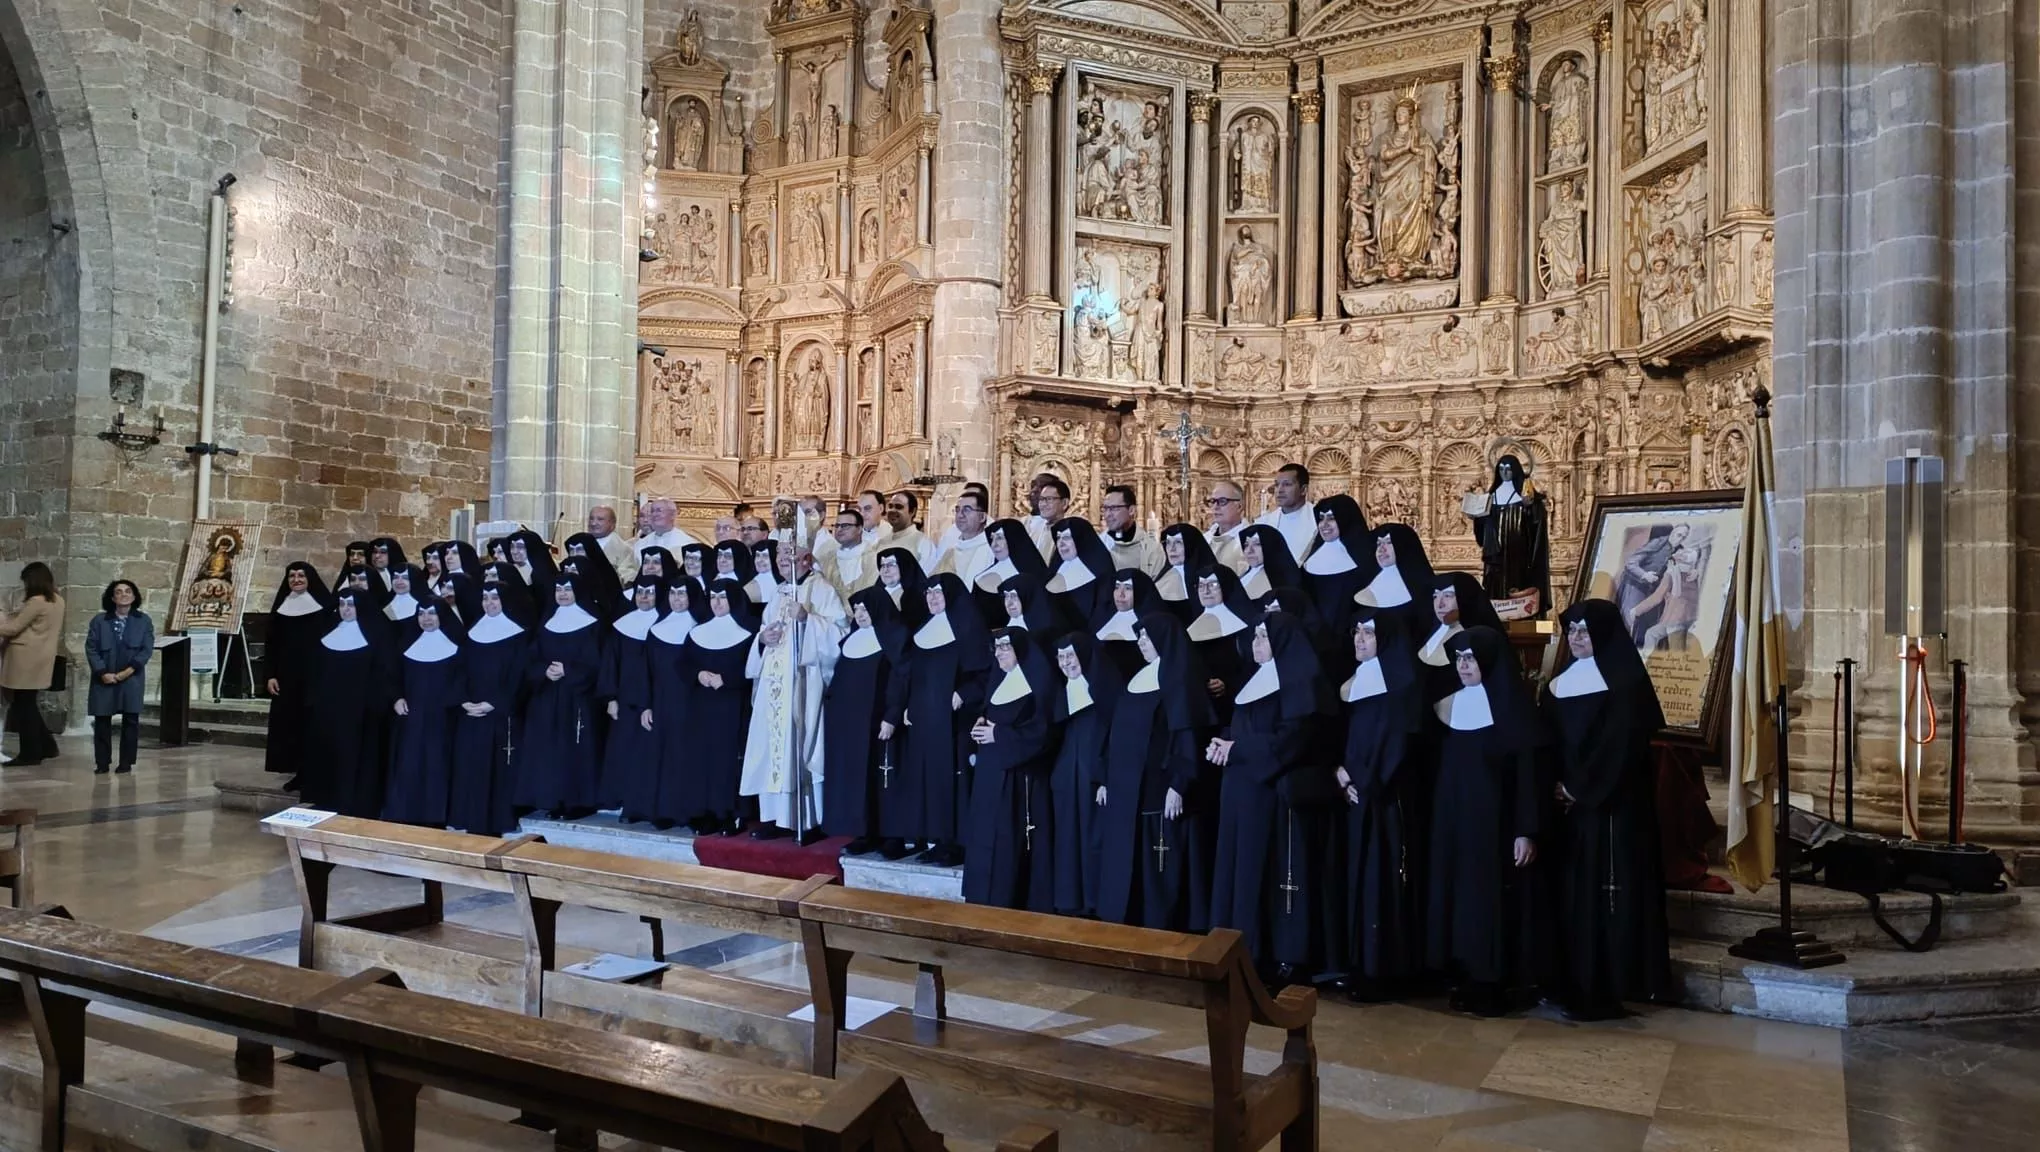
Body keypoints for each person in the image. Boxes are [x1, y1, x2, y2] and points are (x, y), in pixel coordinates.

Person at [1544, 600, 1672, 1020]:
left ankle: (1611, 984)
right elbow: (1550, 741)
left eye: (1585, 631)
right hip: (1569, 812)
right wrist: (1556, 785)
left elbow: (1622, 748)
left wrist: (1581, 789)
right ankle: (1569, 979)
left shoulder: (1625, 683)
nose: (1577, 639)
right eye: (1573, 632)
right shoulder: (1560, 684)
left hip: (1613, 809)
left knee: (1608, 897)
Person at [1429, 626, 1548, 1016]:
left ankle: (1493, 981)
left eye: (1471, 659)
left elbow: (1528, 777)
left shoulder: (1512, 709)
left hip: (1495, 828)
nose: (1464, 666)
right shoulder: (1447, 705)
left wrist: (1525, 831)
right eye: (1459, 658)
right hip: (1453, 825)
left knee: (1489, 903)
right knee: (1457, 900)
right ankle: (1462, 973)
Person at [1208, 614, 1329, 976]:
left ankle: (1270, 953)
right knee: (1237, 868)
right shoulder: (1255, 678)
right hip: (1239, 789)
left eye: (1263, 637)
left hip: (1269, 792)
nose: (1256, 644)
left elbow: (1291, 740)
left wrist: (1238, 750)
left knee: (1262, 871)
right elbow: (1246, 727)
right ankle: (1235, 947)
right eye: (1256, 636)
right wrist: (1222, 744)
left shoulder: (1300, 684)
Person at [1329, 608, 1427, 999]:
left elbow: (1397, 747)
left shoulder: (1401, 684)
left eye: (1367, 634)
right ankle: (1357, 963)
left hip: (1386, 801)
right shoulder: (1353, 682)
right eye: (1356, 633)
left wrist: (1365, 782)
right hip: (1354, 797)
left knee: (1381, 884)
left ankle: (1382, 971)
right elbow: (1342, 737)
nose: (1359, 640)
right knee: (1356, 880)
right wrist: (1339, 773)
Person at [1096, 613, 1215, 931]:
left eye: (1147, 637)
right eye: (1140, 638)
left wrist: (1178, 783)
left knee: (1157, 863)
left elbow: (1186, 735)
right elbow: (1115, 732)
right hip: (1125, 789)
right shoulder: (1139, 677)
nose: (1141, 643)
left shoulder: (1178, 679)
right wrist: (1106, 778)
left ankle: (1159, 926)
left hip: (1157, 791)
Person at [742, 546, 843, 838]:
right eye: (780, 559)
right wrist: (763, 638)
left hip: (803, 680)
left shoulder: (821, 589)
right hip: (774, 681)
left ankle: (808, 820)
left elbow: (839, 633)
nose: (784, 563)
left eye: (791, 558)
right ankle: (775, 817)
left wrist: (807, 619)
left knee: (799, 746)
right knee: (771, 747)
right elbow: (765, 629)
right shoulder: (778, 592)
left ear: (807, 560)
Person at [900, 573, 992, 865]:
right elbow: (912, 676)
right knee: (927, 780)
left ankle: (957, 843)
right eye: (928, 594)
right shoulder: (923, 630)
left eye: (938, 593)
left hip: (956, 723)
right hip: (925, 719)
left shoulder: (969, 628)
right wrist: (908, 706)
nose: (932, 598)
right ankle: (935, 838)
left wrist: (964, 693)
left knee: (954, 781)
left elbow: (986, 675)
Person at [963, 627, 1059, 909]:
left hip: (1018, 782)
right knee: (984, 839)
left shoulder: (1038, 685)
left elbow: (1043, 734)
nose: (1000, 653)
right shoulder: (1000, 681)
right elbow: (991, 714)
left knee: (1007, 845)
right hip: (990, 778)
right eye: (997, 648)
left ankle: (1010, 901)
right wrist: (981, 725)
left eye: (1005, 647)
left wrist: (999, 735)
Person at [514, 573, 606, 818]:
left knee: (575, 748)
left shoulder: (592, 624)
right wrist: (544, 671)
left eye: (567, 589)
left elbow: (599, 662)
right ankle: (549, 798)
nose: (562, 594)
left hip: (578, 699)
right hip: (547, 695)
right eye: (558, 590)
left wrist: (570, 671)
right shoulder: (546, 623)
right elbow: (531, 658)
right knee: (547, 748)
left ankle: (578, 802)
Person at [824, 585, 905, 854]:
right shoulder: (851, 640)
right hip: (849, 725)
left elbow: (900, 679)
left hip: (880, 722)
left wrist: (892, 715)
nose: (859, 613)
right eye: (856, 609)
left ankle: (891, 836)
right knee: (856, 780)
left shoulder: (895, 636)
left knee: (884, 779)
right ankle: (863, 832)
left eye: (864, 608)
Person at [450, 583, 531, 835]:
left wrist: (495, 702)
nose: (489, 603)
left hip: (500, 714)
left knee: (499, 769)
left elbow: (520, 675)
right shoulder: (472, 632)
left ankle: (499, 820)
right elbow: (458, 670)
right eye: (484, 598)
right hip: (471, 713)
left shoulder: (518, 634)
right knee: (470, 766)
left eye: (495, 598)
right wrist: (463, 701)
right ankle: (467, 816)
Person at [302, 588, 391, 817]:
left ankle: (357, 802)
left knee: (358, 758)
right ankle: (327, 798)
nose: (345, 609)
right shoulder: (328, 632)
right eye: (342, 605)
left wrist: (374, 703)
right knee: (330, 754)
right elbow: (315, 670)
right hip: (329, 709)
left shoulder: (377, 633)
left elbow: (383, 672)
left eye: (350, 605)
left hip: (361, 711)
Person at [383, 600, 466, 827]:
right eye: (421, 614)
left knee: (438, 764)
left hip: (443, 718)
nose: (426, 618)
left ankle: (436, 814)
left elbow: (464, 680)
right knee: (409, 762)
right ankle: (405, 811)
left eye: (431, 614)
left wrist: (452, 702)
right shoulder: (406, 644)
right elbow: (392, 676)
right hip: (411, 718)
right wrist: (397, 698)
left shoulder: (458, 646)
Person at [685, 578, 758, 833]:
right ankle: (705, 811)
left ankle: (731, 813)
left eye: (722, 598)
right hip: (702, 707)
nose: (716, 603)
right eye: (713, 598)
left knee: (729, 761)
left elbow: (754, 668)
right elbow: (683, 664)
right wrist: (698, 674)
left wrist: (726, 679)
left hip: (733, 706)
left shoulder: (749, 631)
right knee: (702, 760)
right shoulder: (697, 631)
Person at [635, 577, 706, 830]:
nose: (676, 599)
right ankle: (663, 811)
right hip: (662, 702)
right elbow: (646, 672)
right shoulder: (656, 629)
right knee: (662, 757)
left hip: (693, 704)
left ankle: (690, 813)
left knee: (689, 757)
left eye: (682, 594)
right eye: (673, 593)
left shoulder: (702, 628)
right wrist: (646, 705)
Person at [600, 575, 667, 820]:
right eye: (640, 592)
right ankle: (624, 800)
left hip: (655, 703)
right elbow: (610, 665)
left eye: (650, 592)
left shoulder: (665, 625)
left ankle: (645, 805)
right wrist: (611, 697)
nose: (644, 597)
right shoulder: (621, 625)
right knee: (625, 752)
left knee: (648, 756)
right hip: (626, 701)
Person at [261, 562, 332, 786]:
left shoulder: (324, 607)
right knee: (289, 725)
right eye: (291, 576)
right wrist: (270, 675)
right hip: (286, 678)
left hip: (315, 676)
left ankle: (314, 772)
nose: (296, 580)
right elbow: (271, 644)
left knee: (312, 725)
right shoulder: (282, 608)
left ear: (310, 578)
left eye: (301, 575)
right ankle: (295, 771)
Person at [1469, 455, 1551, 617]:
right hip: (1495, 553)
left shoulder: (1525, 494)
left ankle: (1520, 615)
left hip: (1518, 551)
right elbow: (1482, 529)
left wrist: (1528, 508)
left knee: (1518, 583)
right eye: (1501, 469)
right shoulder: (1491, 496)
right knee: (1494, 583)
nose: (1505, 472)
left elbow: (1536, 523)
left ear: (1515, 470)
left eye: (1508, 469)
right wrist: (1476, 519)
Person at [86, 580, 154, 775]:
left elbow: (145, 650)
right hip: (104, 677)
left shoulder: (144, 621)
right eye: (118, 592)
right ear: (112, 597)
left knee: (131, 720)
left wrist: (127, 672)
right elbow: (91, 648)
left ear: (134, 596)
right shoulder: (99, 621)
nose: (123, 595)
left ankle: (126, 762)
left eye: (128, 591)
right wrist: (102, 672)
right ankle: (102, 762)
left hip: (131, 678)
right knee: (102, 720)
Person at [1421, 572, 1506, 694]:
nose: (1440, 604)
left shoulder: (1479, 638)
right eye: (1435, 596)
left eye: (1448, 596)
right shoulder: (1428, 633)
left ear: (1465, 597)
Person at [1356, 523, 1436, 641]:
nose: (1381, 549)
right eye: (1379, 544)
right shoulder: (1365, 584)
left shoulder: (1423, 587)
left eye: (1388, 543)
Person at [1302, 495, 1373, 618]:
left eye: (1331, 518)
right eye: (1321, 518)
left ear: (1346, 520)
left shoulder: (1366, 559)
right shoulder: (1310, 560)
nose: (1324, 524)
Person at [1045, 518, 1116, 633]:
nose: (1061, 543)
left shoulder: (1101, 570)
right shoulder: (1055, 570)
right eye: (1058, 538)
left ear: (1081, 539)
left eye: (1067, 537)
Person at [974, 518, 1050, 623]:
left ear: (1013, 539)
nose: (994, 544)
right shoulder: (980, 579)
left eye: (999, 538)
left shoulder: (1035, 575)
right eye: (992, 539)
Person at [1093, 569, 1161, 682]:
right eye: (1117, 587)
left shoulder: (1155, 623)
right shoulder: (1100, 618)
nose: (1121, 594)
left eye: (1128, 588)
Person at [1156, 522, 1222, 621]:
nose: (1172, 549)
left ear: (1191, 545)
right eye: (1168, 542)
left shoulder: (1210, 579)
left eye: (1178, 542)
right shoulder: (1161, 580)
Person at [1099, 484, 1165, 577]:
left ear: (1131, 510)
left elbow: (1158, 587)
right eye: (1105, 508)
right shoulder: (1098, 545)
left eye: (1114, 508)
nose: (1107, 514)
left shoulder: (1151, 549)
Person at [1255, 463, 1316, 563]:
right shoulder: (1263, 523)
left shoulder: (1318, 521)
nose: (1279, 490)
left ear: (1304, 490)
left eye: (1287, 484)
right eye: (1277, 484)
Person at [818, 507, 879, 605]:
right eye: (837, 526)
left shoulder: (872, 558)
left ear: (859, 529)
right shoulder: (827, 559)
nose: (839, 529)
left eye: (845, 526)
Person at [931, 490, 994, 585]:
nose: (960, 515)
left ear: (982, 517)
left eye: (967, 510)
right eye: (957, 510)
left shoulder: (992, 551)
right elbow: (931, 583)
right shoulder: (950, 552)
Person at [1238, 523, 1304, 602]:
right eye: (1246, 545)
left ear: (1271, 546)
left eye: (1257, 544)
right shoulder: (1243, 573)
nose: (1249, 551)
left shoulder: (1284, 582)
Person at [1206, 480, 1251, 574]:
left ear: (1239, 506)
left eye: (1222, 501)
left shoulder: (1251, 542)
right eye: (1212, 501)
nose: (1215, 507)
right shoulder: (1204, 539)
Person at [636, 498, 701, 562]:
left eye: (659, 510)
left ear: (672, 514)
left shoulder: (687, 543)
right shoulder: (641, 543)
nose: (654, 514)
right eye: (652, 511)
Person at [882, 491, 936, 567]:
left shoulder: (923, 543)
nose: (892, 510)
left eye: (899, 507)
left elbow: (925, 575)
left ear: (912, 511)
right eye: (890, 506)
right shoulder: (882, 542)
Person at [1024, 475, 1070, 560]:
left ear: (1064, 503)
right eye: (1041, 499)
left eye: (1049, 499)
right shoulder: (1034, 529)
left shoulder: (1069, 534)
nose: (1043, 504)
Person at [587, 506, 638, 583]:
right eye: (591, 518)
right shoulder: (581, 545)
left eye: (600, 519)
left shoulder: (624, 550)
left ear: (612, 524)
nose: (593, 523)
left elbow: (628, 576)